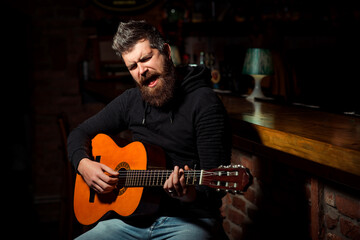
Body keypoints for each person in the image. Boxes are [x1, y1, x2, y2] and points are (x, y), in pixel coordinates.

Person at [67, 20, 231, 239]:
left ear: (166, 52)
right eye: (132, 67)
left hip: (189, 222)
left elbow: (214, 190)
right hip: (129, 222)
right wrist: (84, 165)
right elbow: (79, 133)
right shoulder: (131, 100)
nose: (141, 71)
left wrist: (188, 193)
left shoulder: (205, 103)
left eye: (146, 59)